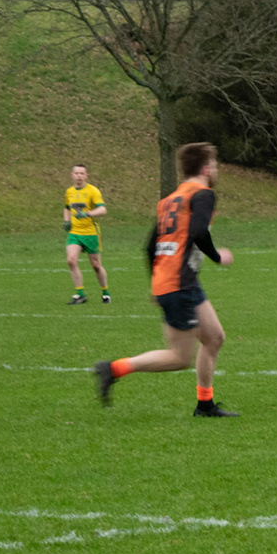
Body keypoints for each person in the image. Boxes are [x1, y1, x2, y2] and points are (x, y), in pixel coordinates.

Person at [91, 142, 238, 417]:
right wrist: (218, 256)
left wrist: (155, 284)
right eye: (215, 165)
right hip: (179, 282)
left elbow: (150, 247)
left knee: (214, 337)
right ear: (206, 169)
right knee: (179, 357)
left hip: (177, 280)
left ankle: (205, 405)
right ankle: (113, 369)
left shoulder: (170, 200)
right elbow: (199, 232)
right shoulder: (203, 194)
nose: (216, 170)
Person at [63, 164, 111, 305]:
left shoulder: (92, 191)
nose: (79, 176)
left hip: (91, 233)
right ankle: (80, 294)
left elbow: (102, 210)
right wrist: (66, 221)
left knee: (96, 265)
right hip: (75, 233)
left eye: (82, 173)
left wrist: (87, 214)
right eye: (76, 173)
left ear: (86, 176)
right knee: (71, 260)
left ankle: (105, 292)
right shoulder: (69, 192)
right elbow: (67, 208)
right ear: (72, 175)